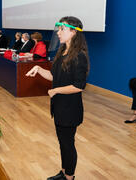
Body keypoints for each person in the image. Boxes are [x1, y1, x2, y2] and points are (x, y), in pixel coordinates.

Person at [26, 16, 89, 180]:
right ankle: (63, 172)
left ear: (74, 32)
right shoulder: (62, 53)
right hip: (59, 106)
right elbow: (54, 76)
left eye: (62, 29)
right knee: (62, 143)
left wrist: (56, 91)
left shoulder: (79, 56)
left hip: (70, 109)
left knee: (68, 145)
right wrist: (39, 69)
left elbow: (78, 86)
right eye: (59, 29)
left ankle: (69, 177)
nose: (58, 32)